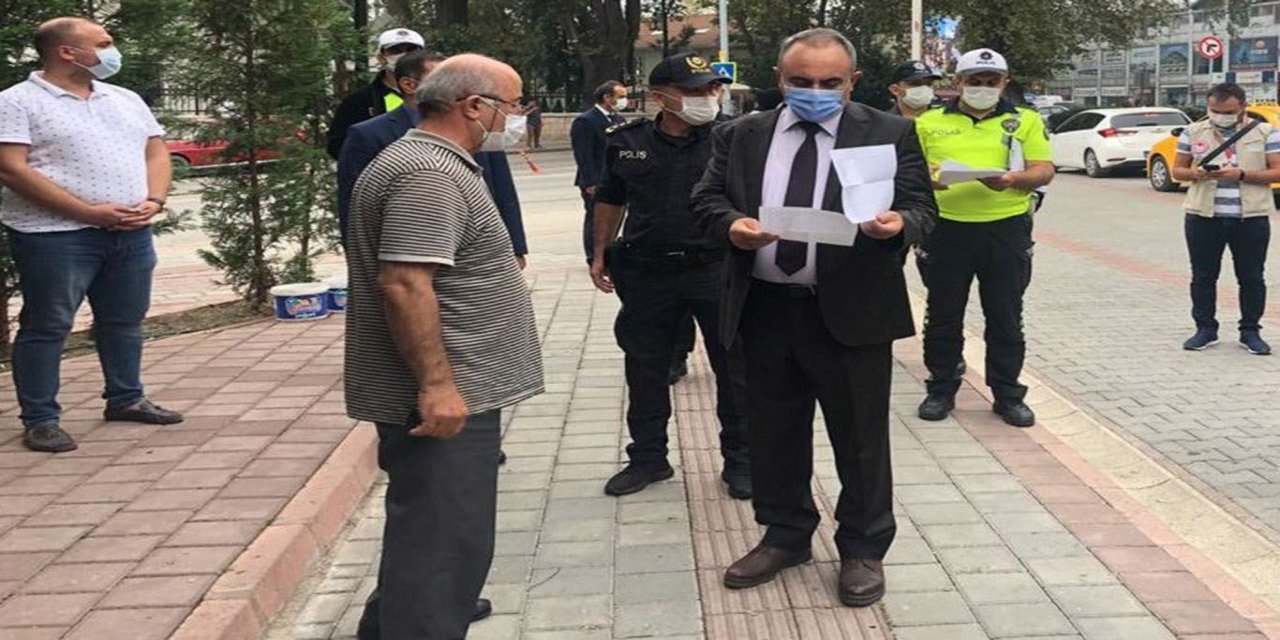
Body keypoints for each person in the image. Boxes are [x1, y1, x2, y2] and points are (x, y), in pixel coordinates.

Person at [692, 28, 937, 606]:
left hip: (853, 313)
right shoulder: (741, 134)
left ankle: (863, 547)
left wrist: (900, 225)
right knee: (772, 432)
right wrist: (731, 226)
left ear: (853, 82)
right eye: (802, 81)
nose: (816, 92)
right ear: (780, 79)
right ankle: (785, 534)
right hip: (765, 309)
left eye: (831, 83)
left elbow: (922, 206)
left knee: (861, 438)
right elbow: (706, 200)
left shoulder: (889, 132)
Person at [0, 17, 185, 454]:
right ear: (67, 52)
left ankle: (126, 397)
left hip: (130, 232)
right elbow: (11, 168)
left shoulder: (124, 98)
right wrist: (85, 212)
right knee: (48, 324)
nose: (112, 51)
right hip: (55, 235)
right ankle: (41, 420)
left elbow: (156, 152)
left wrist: (154, 200)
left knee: (124, 319)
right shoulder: (16, 102)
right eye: (103, 44)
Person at [589, 52, 750, 499]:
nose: (708, 96)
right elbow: (610, 199)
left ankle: (742, 460)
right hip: (648, 272)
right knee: (645, 368)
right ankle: (647, 458)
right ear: (661, 97)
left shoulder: (732, 137)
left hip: (716, 268)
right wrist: (599, 253)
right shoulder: (627, 140)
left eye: (712, 88)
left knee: (734, 367)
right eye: (695, 90)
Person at [913, 48, 1056, 428]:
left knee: (1005, 316)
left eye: (991, 81)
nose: (983, 87)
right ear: (958, 82)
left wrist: (1012, 179)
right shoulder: (928, 122)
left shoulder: (1025, 120)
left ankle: (1008, 395)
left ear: (1004, 83)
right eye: (974, 81)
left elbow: (1043, 170)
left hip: (1005, 229)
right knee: (943, 315)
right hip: (945, 229)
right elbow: (909, 172)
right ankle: (940, 389)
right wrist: (929, 181)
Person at [337, 50, 529, 268]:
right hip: (419, 261)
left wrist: (515, 248)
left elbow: (503, 191)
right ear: (409, 85)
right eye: (439, 77)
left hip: (479, 256)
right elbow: (355, 210)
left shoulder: (482, 129)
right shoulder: (378, 140)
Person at [1172, 82, 1279, 355]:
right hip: (1202, 216)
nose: (1220, 116)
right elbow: (1178, 170)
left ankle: (1250, 331)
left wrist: (1241, 175)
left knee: (1252, 277)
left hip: (1250, 218)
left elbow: (1277, 171)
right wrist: (1196, 173)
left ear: (1243, 107)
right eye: (1214, 111)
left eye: (1228, 112)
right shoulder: (1193, 131)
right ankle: (1205, 329)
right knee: (1203, 276)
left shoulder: (1265, 132)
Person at [326, 28, 425, 159]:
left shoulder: (438, 95)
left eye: (411, 50)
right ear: (381, 58)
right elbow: (338, 146)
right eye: (396, 51)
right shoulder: (359, 100)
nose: (404, 56)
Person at [571, 81, 628, 263]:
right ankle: (593, 255)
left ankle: (609, 251)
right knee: (596, 218)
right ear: (607, 97)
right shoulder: (586, 121)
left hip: (616, 178)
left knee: (616, 216)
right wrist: (591, 182)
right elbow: (583, 154)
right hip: (596, 179)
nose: (624, 101)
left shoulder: (619, 120)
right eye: (621, 97)